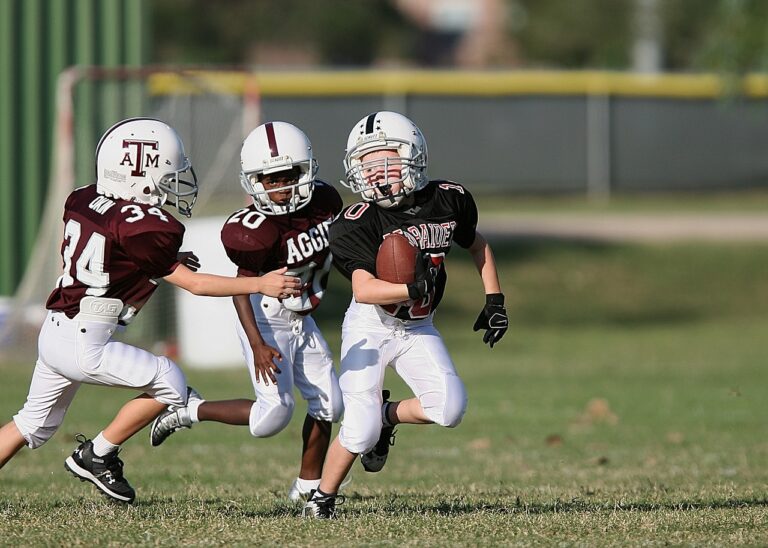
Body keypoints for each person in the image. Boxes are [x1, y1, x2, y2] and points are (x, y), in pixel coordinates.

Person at [0, 118, 300, 504]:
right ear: (138, 174)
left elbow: (111, 250)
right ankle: (97, 453)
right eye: (166, 176)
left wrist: (165, 259)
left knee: (31, 425)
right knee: (171, 382)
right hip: (85, 339)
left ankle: (97, 454)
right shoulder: (140, 224)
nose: (172, 184)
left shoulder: (84, 197)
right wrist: (258, 284)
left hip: (57, 329)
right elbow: (196, 285)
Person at [302, 111, 508, 518]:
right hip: (371, 326)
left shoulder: (450, 198)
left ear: (414, 157)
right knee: (358, 432)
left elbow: (475, 242)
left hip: (417, 326)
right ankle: (322, 498)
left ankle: (386, 414)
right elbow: (363, 289)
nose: (378, 173)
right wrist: (410, 287)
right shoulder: (355, 221)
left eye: (387, 161)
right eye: (367, 164)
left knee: (449, 408)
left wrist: (495, 299)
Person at [148, 121, 344, 501]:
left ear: (305, 170)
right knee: (271, 418)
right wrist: (256, 343)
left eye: (287, 176)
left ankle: (306, 488)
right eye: (270, 180)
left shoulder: (325, 203)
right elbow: (243, 290)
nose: (281, 188)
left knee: (330, 405)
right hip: (265, 317)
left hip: (303, 317)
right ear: (254, 182)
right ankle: (191, 410)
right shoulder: (254, 230)